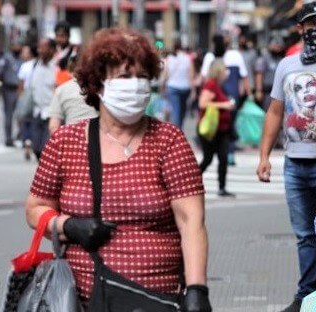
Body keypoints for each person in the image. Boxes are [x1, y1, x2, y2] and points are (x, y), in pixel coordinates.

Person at [25, 28, 212, 312]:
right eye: (125, 77)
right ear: (98, 84)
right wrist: (68, 226)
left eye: (142, 77)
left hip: (157, 298)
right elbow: (35, 208)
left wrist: (197, 289)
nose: (135, 85)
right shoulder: (65, 142)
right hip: (82, 298)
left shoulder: (169, 140)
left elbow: (191, 222)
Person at [256, 2, 316, 311]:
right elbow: (275, 111)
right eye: (311, 23)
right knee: (305, 236)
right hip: (294, 164)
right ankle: (306, 296)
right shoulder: (286, 66)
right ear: (300, 29)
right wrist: (264, 156)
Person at [201, 34, 251, 166]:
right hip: (231, 96)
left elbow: (205, 77)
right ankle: (229, 153)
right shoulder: (235, 55)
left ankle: (217, 152)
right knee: (230, 125)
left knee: (216, 124)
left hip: (216, 96)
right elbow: (244, 76)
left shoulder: (210, 57)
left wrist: (205, 92)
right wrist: (247, 93)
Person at [198, 59, 236, 197]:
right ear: (219, 71)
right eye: (224, 69)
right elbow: (203, 104)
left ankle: (222, 187)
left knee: (223, 158)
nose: (227, 73)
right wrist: (224, 105)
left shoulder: (219, 86)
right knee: (208, 158)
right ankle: (191, 181)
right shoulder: (210, 85)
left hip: (222, 129)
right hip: (210, 130)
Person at [48, 54, 97, 134]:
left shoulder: (61, 90)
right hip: (97, 138)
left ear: (70, 70)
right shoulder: (100, 88)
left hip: (71, 138)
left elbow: (53, 126)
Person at [30, 38, 57, 160]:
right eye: (38, 47)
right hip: (37, 112)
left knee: (47, 150)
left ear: (51, 50)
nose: (39, 50)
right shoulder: (36, 65)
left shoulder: (57, 68)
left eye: (43, 48)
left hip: (51, 113)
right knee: (36, 148)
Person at [0, 42, 23, 146]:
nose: (18, 47)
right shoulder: (6, 58)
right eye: (16, 45)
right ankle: (8, 138)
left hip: (19, 89)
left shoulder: (21, 58)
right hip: (8, 89)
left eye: (19, 45)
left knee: (21, 114)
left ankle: (21, 135)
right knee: (8, 115)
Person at [163, 40, 195, 129]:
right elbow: (191, 75)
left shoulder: (169, 58)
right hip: (185, 87)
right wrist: (193, 90)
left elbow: (165, 75)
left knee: (176, 111)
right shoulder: (188, 58)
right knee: (183, 111)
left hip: (173, 87)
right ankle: (180, 129)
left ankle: (177, 131)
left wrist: (162, 86)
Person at [16, 45, 38, 160]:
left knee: (24, 120)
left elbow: (21, 83)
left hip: (26, 95)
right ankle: (32, 142)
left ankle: (27, 141)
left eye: (25, 52)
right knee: (34, 120)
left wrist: (20, 96)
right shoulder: (38, 64)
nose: (22, 54)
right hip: (37, 96)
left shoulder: (25, 66)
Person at [254, 37, 285, 110]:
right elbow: (259, 74)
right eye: (275, 45)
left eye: (279, 46)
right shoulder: (263, 58)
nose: (277, 47)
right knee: (267, 111)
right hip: (268, 92)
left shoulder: (282, 58)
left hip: (280, 92)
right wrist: (259, 90)